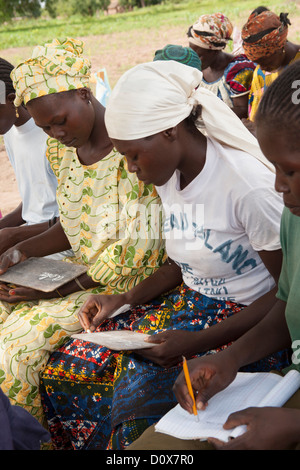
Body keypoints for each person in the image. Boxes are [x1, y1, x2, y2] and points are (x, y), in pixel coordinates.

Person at [40, 59, 290, 450]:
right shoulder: (169, 175)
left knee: (134, 417)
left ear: (171, 131)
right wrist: (122, 299)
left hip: (245, 323)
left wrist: (198, 342)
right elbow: (182, 261)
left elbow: (285, 296)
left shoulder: (249, 190)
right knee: (66, 370)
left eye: (134, 156)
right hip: (191, 306)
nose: (131, 168)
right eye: (124, 156)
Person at [129, 59, 300, 451]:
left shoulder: (252, 193)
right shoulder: (295, 217)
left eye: (289, 171)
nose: (277, 185)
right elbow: (288, 306)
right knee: (145, 451)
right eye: (273, 168)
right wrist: (229, 359)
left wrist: (293, 426)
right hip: (288, 380)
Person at [0, 38, 165, 424]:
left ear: (85, 93)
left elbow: (140, 249)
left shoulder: (133, 147)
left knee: (15, 349)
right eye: (45, 127)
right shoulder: (60, 153)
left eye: (60, 120)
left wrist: (57, 288)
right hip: (77, 268)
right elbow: (73, 226)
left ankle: (26, 440)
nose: (55, 133)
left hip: (120, 278)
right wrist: (21, 254)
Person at [0, 57, 61, 256]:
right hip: (29, 238)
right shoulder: (9, 133)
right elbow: (35, 201)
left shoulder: (54, 137)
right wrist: (5, 226)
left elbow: (75, 219)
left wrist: (14, 235)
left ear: (11, 100)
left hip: (59, 247)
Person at [241, 7, 300, 135]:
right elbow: (255, 116)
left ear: (280, 47)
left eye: (265, 62)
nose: (261, 67)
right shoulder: (261, 73)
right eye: (257, 63)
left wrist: (262, 131)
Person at [187, 12, 256, 118]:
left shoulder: (240, 70)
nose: (194, 60)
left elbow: (243, 110)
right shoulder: (199, 71)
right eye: (192, 53)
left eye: (199, 56)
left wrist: (204, 113)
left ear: (215, 51)